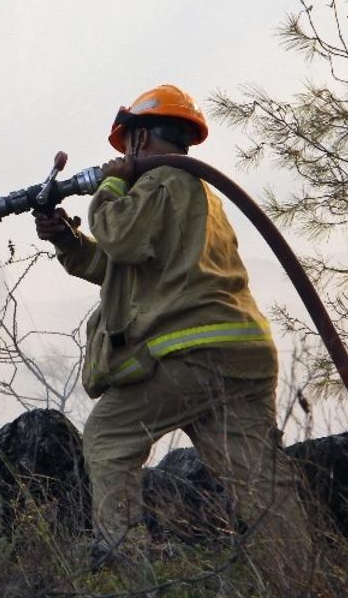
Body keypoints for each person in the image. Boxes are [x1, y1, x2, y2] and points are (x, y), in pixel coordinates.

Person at [34, 84, 312, 575]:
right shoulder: (197, 192)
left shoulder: (161, 182)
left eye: (126, 148)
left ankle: (125, 568)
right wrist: (69, 240)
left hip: (191, 353)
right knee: (258, 483)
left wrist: (112, 186)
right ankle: (299, 578)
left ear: (139, 140)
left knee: (107, 437)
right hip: (242, 353)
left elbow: (119, 238)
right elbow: (126, 266)